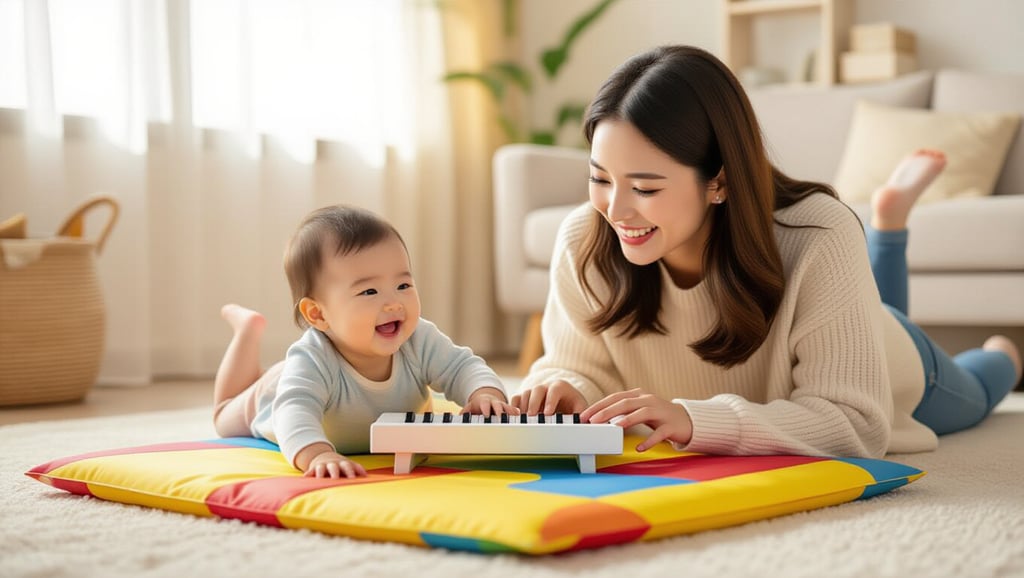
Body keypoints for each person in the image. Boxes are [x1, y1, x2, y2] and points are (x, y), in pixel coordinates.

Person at [512, 45, 1022, 458]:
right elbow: (585, 368)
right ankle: (888, 224)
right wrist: (564, 386)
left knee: (979, 389)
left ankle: (1001, 352)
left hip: (898, 364)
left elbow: (856, 421)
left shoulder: (819, 232)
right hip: (845, 309)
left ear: (719, 182)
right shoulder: (584, 239)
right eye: (599, 179)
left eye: (645, 188)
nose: (615, 209)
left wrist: (696, 420)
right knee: (875, 300)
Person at [213, 205, 514, 478]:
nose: (394, 303)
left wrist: (484, 394)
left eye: (403, 285)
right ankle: (247, 331)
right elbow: (294, 411)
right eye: (369, 292)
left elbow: (462, 366)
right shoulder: (311, 360)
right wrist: (318, 455)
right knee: (224, 417)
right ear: (318, 314)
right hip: (273, 392)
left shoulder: (418, 338)